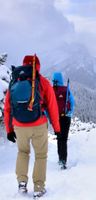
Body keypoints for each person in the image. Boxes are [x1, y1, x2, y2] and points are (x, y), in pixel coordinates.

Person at [4, 54, 61, 198]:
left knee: (23, 152)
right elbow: (53, 107)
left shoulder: (15, 81)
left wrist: (9, 129)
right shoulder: (43, 82)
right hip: (38, 124)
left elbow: (7, 108)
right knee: (41, 155)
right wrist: (57, 128)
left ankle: (22, 182)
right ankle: (39, 187)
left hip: (19, 125)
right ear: (38, 66)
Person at [52, 72, 75, 169]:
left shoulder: (51, 90)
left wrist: (51, 118)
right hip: (66, 117)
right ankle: (63, 161)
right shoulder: (66, 89)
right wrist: (69, 114)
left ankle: (59, 158)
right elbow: (72, 102)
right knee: (64, 140)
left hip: (56, 118)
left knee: (59, 138)